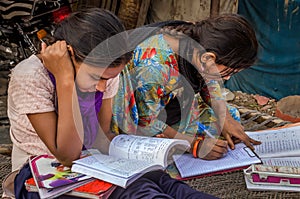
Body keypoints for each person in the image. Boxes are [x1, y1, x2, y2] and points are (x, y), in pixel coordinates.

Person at [5, 7, 217, 199]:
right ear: (68, 55)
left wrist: (141, 150)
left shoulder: (105, 72)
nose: (102, 88)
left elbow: (100, 136)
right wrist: (65, 80)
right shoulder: (32, 77)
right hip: (44, 172)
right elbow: (68, 154)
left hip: (93, 160)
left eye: (108, 79)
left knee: (168, 185)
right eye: (98, 77)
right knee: (142, 194)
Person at [111, 14, 262, 160]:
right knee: (163, 149)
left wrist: (225, 118)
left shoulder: (196, 41)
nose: (227, 78)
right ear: (209, 58)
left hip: (169, 107)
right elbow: (146, 121)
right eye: (228, 72)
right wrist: (193, 145)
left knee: (231, 118)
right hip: (138, 119)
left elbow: (208, 79)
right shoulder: (154, 66)